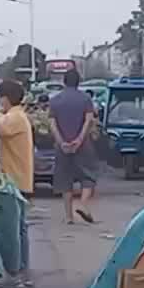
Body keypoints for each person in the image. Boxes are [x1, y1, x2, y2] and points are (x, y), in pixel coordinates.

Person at [0, 80, 33, 288]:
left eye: (0, 98)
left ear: (6, 98)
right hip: (19, 178)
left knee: (11, 230)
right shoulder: (18, 116)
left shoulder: (14, 117)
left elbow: (1, 128)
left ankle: (14, 274)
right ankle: (22, 270)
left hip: (13, 180)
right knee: (20, 228)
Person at [49, 69, 97, 225]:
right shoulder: (85, 99)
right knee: (88, 176)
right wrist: (79, 140)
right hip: (83, 145)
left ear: (64, 81)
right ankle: (83, 205)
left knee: (65, 180)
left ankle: (69, 216)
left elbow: (52, 124)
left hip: (61, 147)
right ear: (78, 82)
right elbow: (88, 120)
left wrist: (62, 141)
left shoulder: (55, 100)